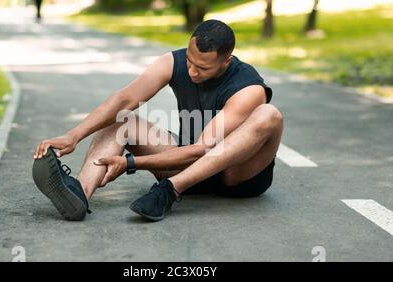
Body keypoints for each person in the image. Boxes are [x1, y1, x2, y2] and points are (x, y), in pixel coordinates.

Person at [32, 20, 283, 222]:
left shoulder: (247, 87)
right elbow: (125, 98)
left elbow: (203, 150)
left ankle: (169, 190)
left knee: (269, 114)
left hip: (237, 177)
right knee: (121, 120)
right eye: (190, 62)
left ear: (226, 61)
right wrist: (74, 135)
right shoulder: (174, 61)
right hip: (187, 164)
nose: (193, 72)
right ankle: (79, 194)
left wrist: (130, 163)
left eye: (203, 68)